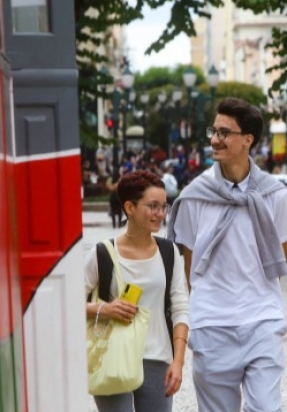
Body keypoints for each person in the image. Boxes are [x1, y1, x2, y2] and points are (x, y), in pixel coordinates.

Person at [168, 97, 287, 412]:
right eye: (214, 131)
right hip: (212, 323)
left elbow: (279, 260)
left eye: (225, 133)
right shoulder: (194, 197)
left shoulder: (275, 195)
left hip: (263, 320)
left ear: (248, 140)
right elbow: (188, 267)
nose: (215, 139)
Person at [84, 170, 190, 412]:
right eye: (152, 206)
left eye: (164, 206)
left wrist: (178, 362)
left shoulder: (168, 252)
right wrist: (105, 309)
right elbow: (68, 304)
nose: (160, 214)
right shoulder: (102, 254)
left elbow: (180, 307)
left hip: (157, 359)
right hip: (111, 357)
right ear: (129, 207)